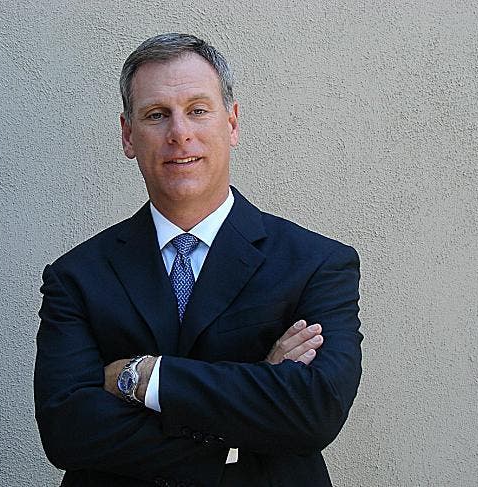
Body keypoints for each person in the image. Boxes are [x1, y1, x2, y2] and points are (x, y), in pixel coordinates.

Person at [34, 33, 362, 487]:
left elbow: (315, 410)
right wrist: (256, 395)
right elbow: (67, 431)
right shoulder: (76, 277)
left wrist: (145, 377)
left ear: (232, 124)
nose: (179, 133)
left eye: (198, 110)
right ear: (128, 135)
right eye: (156, 115)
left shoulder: (317, 264)